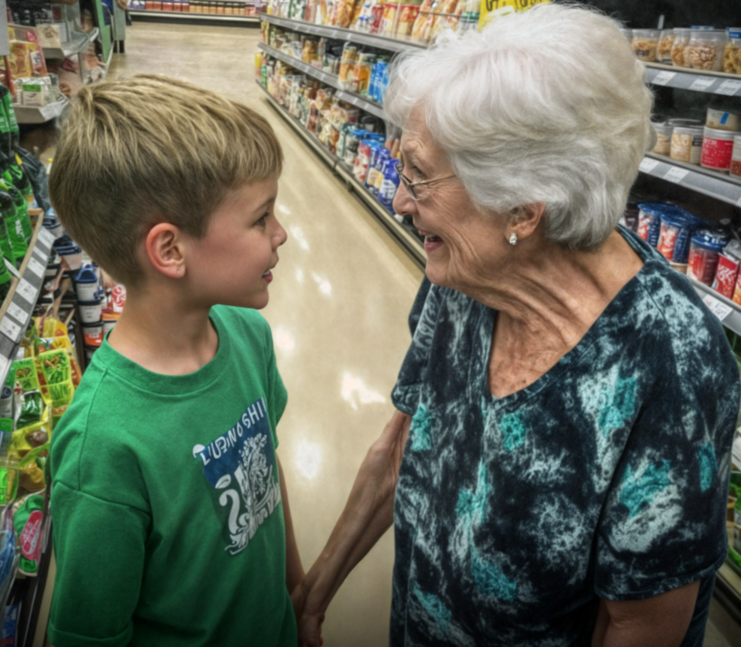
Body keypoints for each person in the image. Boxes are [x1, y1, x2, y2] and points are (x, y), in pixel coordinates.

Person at [293, 5, 741, 646]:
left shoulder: (671, 364)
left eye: (419, 175)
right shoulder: (467, 275)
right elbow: (401, 448)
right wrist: (315, 595)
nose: (400, 198)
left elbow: (638, 623)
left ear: (521, 211)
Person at [47, 75, 300, 646]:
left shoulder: (247, 334)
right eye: (261, 218)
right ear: (169, 250)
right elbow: (90, 632)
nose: (280, 234)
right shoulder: (104, 449)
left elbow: (265, 474)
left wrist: (297, 592)